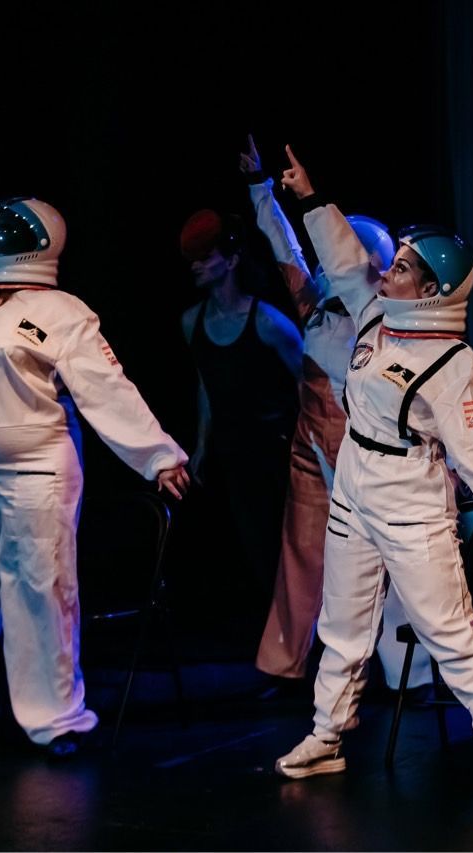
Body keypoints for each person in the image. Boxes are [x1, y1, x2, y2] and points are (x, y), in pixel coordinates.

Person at [0, 91, 190, 756]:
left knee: (40, 587)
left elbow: (106, 387)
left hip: (36, 471)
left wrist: (159, 455)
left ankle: (53, 716)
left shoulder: (60, 309)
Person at [272, 145, 473, 792]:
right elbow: (342, 259)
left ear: (432, 290)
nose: (389, 271)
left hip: (412, 501)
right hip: (356, 482)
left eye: (405, 268)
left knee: (448, 627)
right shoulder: (377, 314)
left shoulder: (453, 364)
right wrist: (307, 196)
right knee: (343, 621)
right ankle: (327, 733)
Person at [236, 136, 430, 693]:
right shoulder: (316, 304)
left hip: (364, 453)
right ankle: (286, 663)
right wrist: (259, 189)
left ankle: (408, 675)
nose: (324, 269)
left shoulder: (388, 323)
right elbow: (284, 248)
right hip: (311, 447)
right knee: (301, 550)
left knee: (386, 560)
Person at [179, 197, 301, 634]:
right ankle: (283, 653)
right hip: (235, 454)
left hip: (280, 452)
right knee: (259, 555)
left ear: (230, 260)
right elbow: (206, 386)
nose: (195, 265)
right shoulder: (192, 321)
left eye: (205, 257)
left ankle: (304, 655)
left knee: (291, 554)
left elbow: (312, 385)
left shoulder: (268, 322)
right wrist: (199, 447)